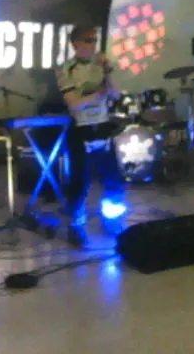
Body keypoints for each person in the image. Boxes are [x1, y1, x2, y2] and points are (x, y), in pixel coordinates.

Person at [56, 25, 125, 246]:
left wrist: (108, 72)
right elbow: (74, 103)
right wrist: (98, 94)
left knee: (113, 177)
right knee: (80, 180)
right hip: (81, 127)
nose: (92, 45)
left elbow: (115, 94)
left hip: (102, 125)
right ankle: (76, 225)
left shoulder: (100, 66)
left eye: (95, 40)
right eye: (88, 40)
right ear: (75, 43)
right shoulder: (66, 68)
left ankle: (112, 220)